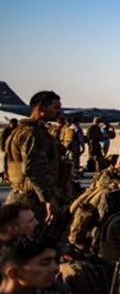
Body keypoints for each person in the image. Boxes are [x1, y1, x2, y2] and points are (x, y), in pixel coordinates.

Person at [4, 90, 70, 235]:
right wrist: (48, 199)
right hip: (33, 200)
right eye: (56, 107)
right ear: (41, 109)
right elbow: (32, 169)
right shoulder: (33, 134)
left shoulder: (20, 131)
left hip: (21, 194)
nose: (59, 111)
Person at [0, 118, 18, 183]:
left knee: (11, 163)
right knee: (5, 163)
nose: (13, 126)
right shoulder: (6, 130)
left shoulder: (16, 129)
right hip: (6, 149)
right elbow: (2, 140)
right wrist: (3, 149)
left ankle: (7, 175)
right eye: (12, 125)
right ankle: (4, 174)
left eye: (15, 125)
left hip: (13, 149)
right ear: (10, 124)